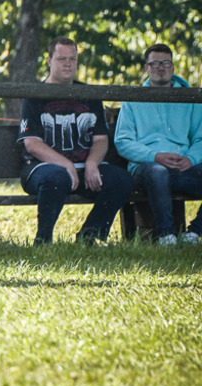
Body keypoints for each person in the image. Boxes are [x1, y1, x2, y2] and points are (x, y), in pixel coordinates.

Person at [17, 36, 134, 244]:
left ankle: (90, 236)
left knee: (122, 180)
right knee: (56, 178)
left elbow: (101, 140)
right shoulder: (34, 95)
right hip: (42, 169)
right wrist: (66, 164)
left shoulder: (88, 94)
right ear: (49, 60)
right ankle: (43, 240)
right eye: (62, 59)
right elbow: (32, 144)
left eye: (73, 59)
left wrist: (92, 162)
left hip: (84, 169)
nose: (68, 64)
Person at [114, 43, 202, 245]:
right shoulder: (133, 99)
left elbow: (200, 138)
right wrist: (154, 156)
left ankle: (194, 234)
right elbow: (123, 141)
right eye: (154, 64)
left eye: (165, 63)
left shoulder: (189, 98)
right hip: (146, 168)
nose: (160, 68)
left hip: (183, 168)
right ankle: (165, 235)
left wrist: (191, 158)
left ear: (172, 67)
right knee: (158, 172)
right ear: (146, 68)